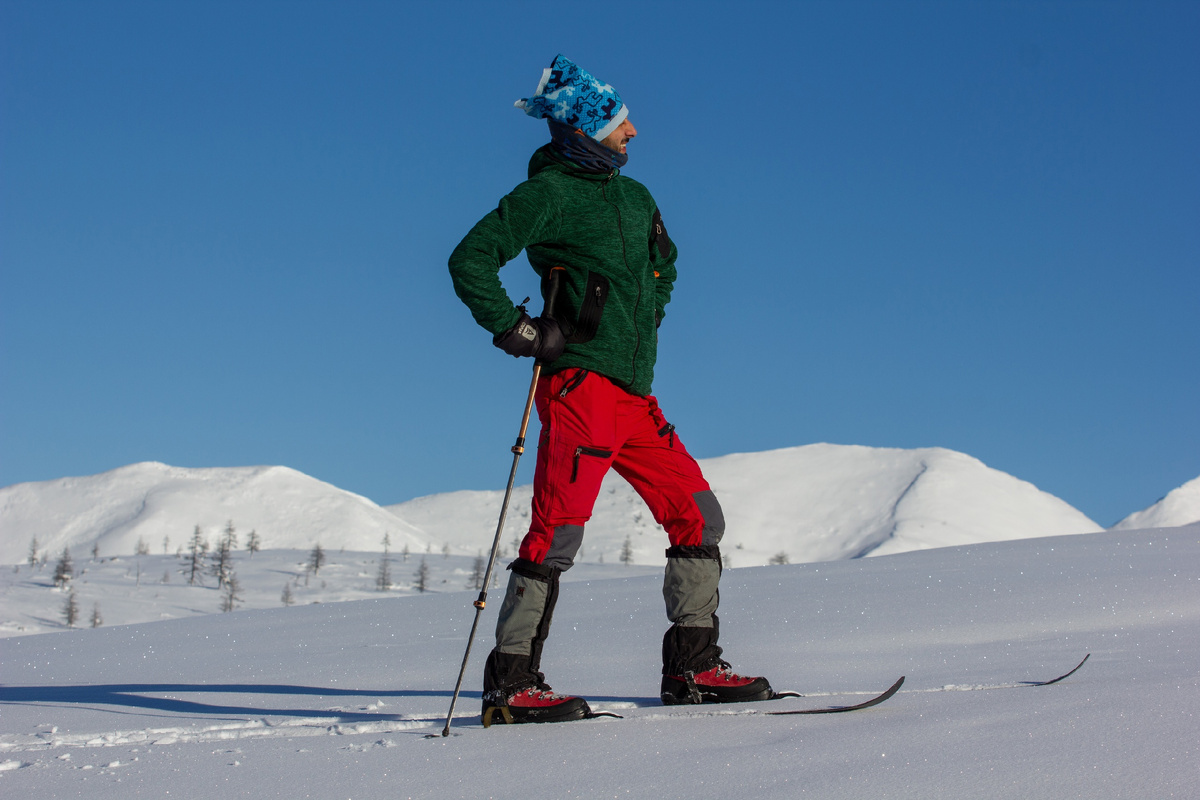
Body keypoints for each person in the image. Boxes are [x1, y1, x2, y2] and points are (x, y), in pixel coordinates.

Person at [448, 54, 772, 724]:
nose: (633, 132)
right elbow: (470, 257)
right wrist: (518, 329)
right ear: (585, 131)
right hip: (582, 391)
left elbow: (666, 263)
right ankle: (511, 683)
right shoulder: (548, 195)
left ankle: (692, 669)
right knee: (557, 533)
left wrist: (647, 315)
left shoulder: (636, 196)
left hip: (634, 396)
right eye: (620, 122)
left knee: (699, 515)